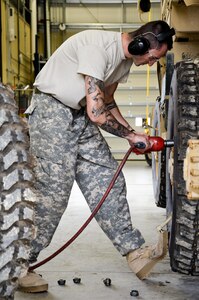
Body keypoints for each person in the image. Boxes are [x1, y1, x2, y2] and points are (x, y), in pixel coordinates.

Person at [18, 20, 175, 293]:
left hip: (80, 118)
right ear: (142, 43)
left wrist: (132, 132)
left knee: (108, 178)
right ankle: (18, 266)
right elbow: (97, 113)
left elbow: (108, 102)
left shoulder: (125, 62)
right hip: (52, 113)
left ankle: (133, 251)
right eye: (153, 56)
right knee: (52, 196)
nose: (151, 63)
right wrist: (129, 137)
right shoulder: (97, 47)